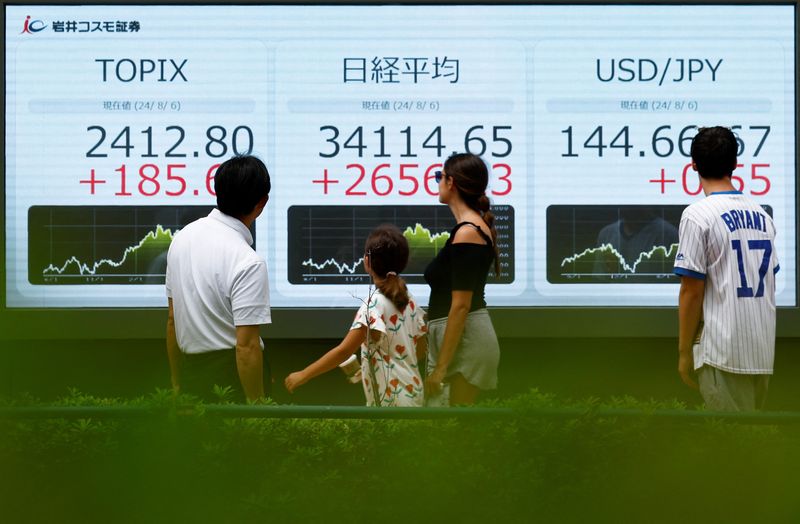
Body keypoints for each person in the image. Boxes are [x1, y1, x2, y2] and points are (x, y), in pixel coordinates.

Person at [674, 126, 779, 411]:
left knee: (730, 447)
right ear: (735, 164)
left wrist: (684, 352)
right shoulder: (763, 215)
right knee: (752, 446)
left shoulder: (697, 215)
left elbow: (691, 292)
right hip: (761, 353)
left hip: (722, 352)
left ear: (693, 165)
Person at [166, 155, 272, 402]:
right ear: (262, 202)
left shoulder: (181, 239)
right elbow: (246, 348)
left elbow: (172, 321)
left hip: (191, 374)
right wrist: (258, 409)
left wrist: (176, 383)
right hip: (232, 379)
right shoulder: (248, 261)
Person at [285, 225, 428, 407]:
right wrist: (373, 366)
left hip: (391, 402)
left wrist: (303, 375)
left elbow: (344, 351)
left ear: (367, 261)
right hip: (414, 393)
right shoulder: (410, 299)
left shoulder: (373, 304)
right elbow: (420, 349)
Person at [424, 153, 501, 406]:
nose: (438, 182)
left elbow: (460, 305)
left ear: (451, 182)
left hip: (466, 343)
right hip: (458, 340)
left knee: (455, 430)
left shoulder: (468, 232)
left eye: (439, 177)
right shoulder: (468, 229)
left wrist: (441, 368)